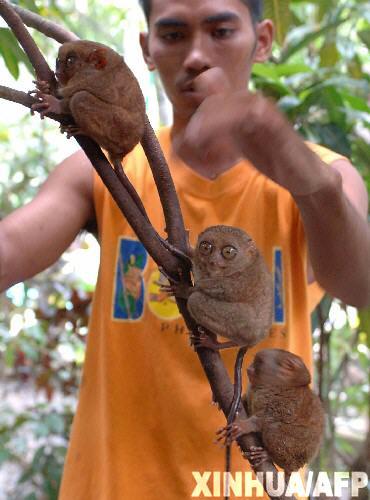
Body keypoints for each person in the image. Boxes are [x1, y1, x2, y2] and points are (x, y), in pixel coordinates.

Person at [1, 0, 369, 498]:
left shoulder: (323, 176)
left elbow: (359, 284)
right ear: (146, 50)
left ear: (261, 40)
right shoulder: (104, 168)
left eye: (220, 31)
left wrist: (313, 185)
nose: (196, 55)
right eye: (173, 35)